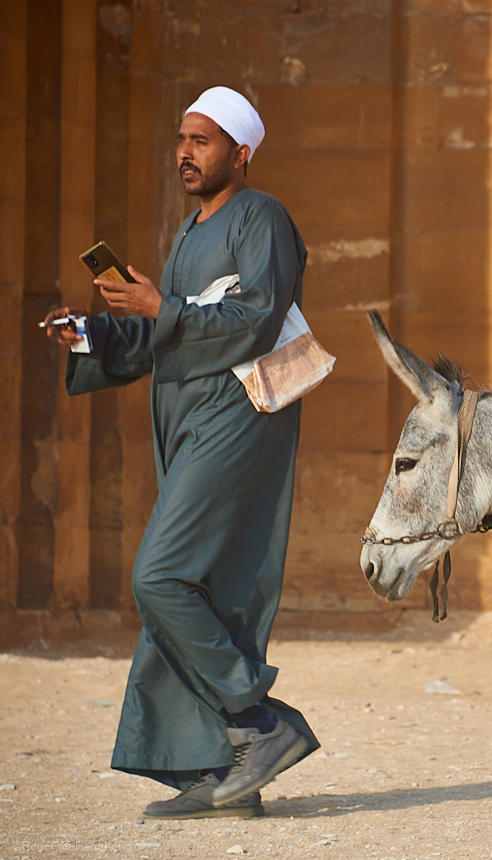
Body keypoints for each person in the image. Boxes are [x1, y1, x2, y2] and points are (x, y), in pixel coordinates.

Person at [44, 86, 319, 818]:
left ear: (241, 152)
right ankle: (221, 768)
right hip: (192, 423)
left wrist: (162, 309)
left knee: (161, 576)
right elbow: (167, 339)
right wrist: (88, 331)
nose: (184, 153)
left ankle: (260, 724)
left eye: (202, 141)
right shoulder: (190, 234)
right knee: (200, 585)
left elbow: (254, 319)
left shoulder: (262, 218)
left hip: (239, 416)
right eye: (181, 139)